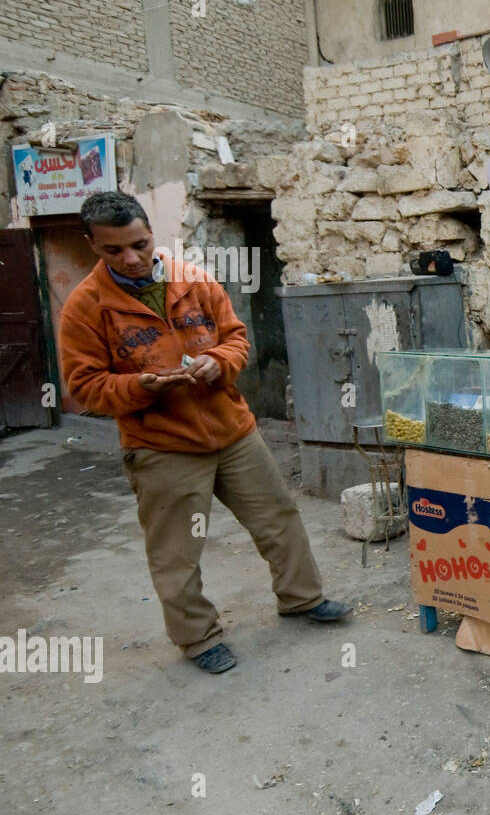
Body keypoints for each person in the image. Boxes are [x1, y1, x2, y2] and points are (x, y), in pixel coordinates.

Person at [59, 191, 352, 674]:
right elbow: (86, 387)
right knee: (176, 552)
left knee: (278, 518)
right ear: (93, 245)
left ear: (151, 231)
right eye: (115, 251)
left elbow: (236, 337)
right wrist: (140, 386)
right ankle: (197, 639)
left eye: (140, 243)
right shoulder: (85, 307)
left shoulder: (193, 279)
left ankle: (302, 599)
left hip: (232, 430)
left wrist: (220, 363)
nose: (131, 258)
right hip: (161, 446)